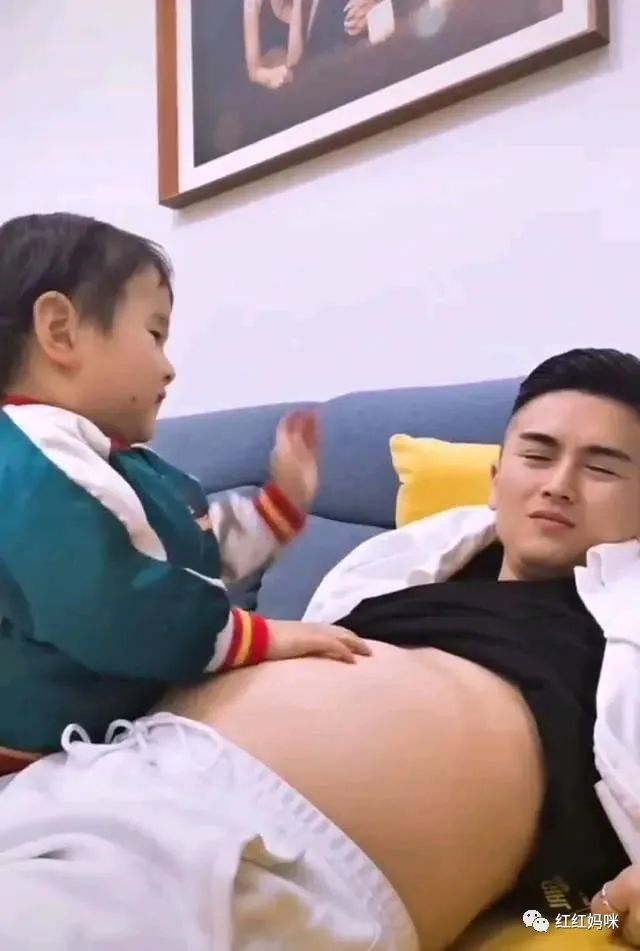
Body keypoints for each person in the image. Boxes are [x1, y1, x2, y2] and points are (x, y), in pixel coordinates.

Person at [1, 348, 640, 950]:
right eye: (538, 455)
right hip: (106, 774)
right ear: (497, 478)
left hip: (275, 862)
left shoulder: (621, 619)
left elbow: (566, 913)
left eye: (602, 467)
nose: (559, 485)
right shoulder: (404, 572)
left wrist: (601, 908)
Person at [0, 212, 368, 772]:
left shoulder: (123, 464)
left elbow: (191, 553)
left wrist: (277, 508)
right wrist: (254, 638)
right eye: (155, 334)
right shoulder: (29, 463)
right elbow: (112, 606)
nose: (169, 368)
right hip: (32, 755)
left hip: (108, 729)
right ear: (60, 332)